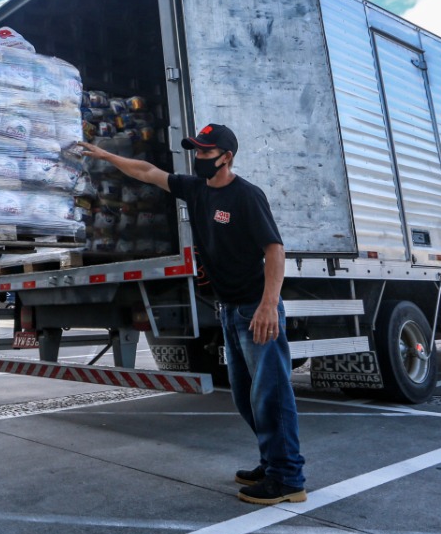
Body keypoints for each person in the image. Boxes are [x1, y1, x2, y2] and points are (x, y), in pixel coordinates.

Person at [80, 123, 306, 505]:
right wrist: (105, 156)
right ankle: (272, 461)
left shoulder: (247, 196)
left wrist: (269, 304)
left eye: (204, 152)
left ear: (226, 156)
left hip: (256, 308)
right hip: (231, 309)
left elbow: (274, 250)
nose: (197, 158)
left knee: (271, 393)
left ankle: (288, 478)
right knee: (244, 395)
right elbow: (148, 173)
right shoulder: (197, 190)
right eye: (196, 151)